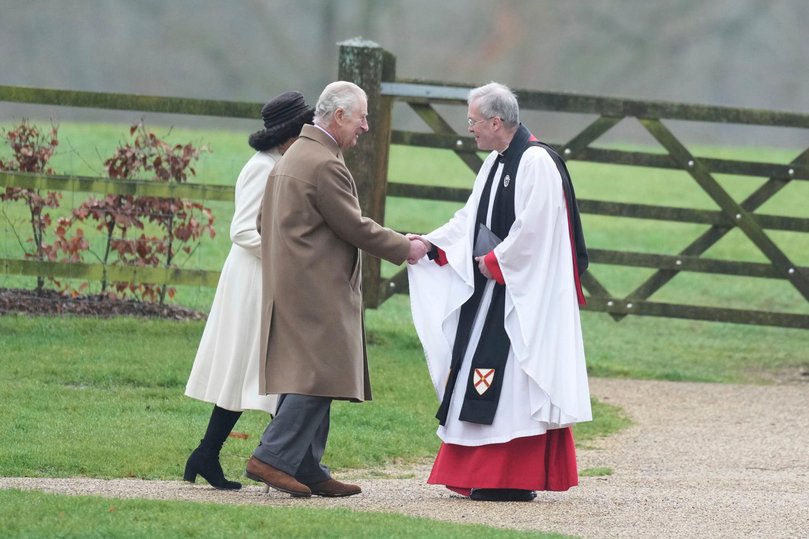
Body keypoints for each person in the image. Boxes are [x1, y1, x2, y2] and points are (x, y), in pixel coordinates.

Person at [407, 82, 592, 502]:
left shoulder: (537, 162)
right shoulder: (494, 162)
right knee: (481, 378)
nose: (468, 129)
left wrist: (493, 262)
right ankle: (484, 474)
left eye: (473, 121)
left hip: (522, 299)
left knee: (513, 386)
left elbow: (537, 230)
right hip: (492, 293)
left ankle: (511, 476)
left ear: (495, 121)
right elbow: (469, 220)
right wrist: (430, 245)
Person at [244, 81, 428, 498]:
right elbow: (354, 226)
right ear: (339, 116)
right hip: (316, 289)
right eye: (362, 117)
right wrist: (407, 246)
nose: (365, 126)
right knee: (321, 375)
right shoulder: (324, 163)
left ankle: (307, 466)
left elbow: (261, 222)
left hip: (291, 285)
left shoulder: (292, 157)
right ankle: (271, 457)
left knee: (310, 373)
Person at [183, 91, 315, 490]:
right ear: (289, 132)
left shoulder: (280, 163)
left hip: (266, 276)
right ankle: (275, 461)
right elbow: (241, 231)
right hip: (253, 279)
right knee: (250, 367)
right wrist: (289, 256)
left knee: (258, 369)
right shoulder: (263, 168)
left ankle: (215, 454)